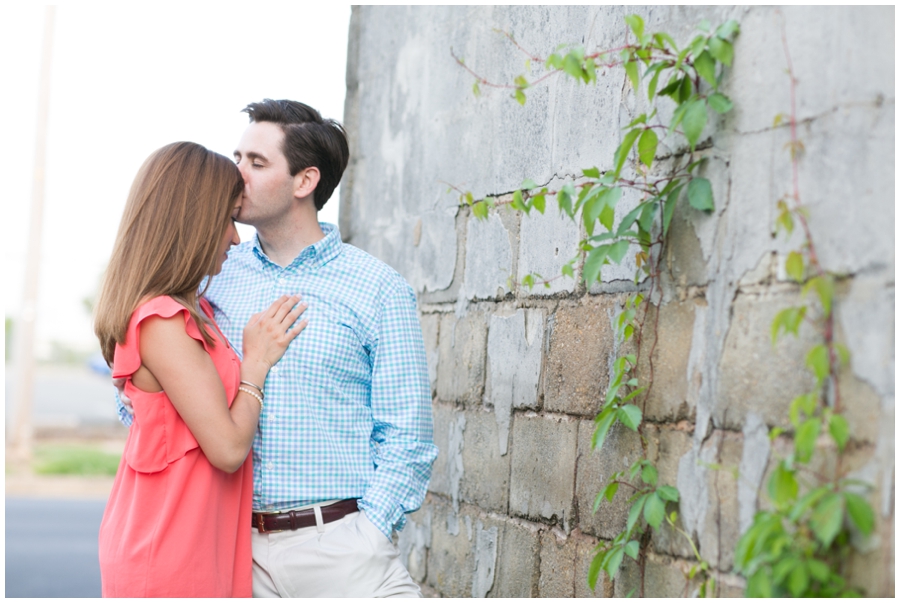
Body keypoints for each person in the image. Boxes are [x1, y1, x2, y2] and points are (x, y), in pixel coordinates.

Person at [116, 100, 438, 597]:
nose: (235, 173)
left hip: (342, 550)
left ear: (304, 182)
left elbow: (407, 437)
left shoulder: (377, 288)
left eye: (256, 163)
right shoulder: (211, 281)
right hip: (230, 550)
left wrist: (369, 532)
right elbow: (150, 404)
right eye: (237, 156)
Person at [95, 142, 309, 597]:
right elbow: (228, 449)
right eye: (229, 218)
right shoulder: (160, 321)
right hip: (169, 553)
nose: (235, 236)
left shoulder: (194, 310)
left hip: (197, 544)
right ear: (191, 221)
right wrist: (256, 364)